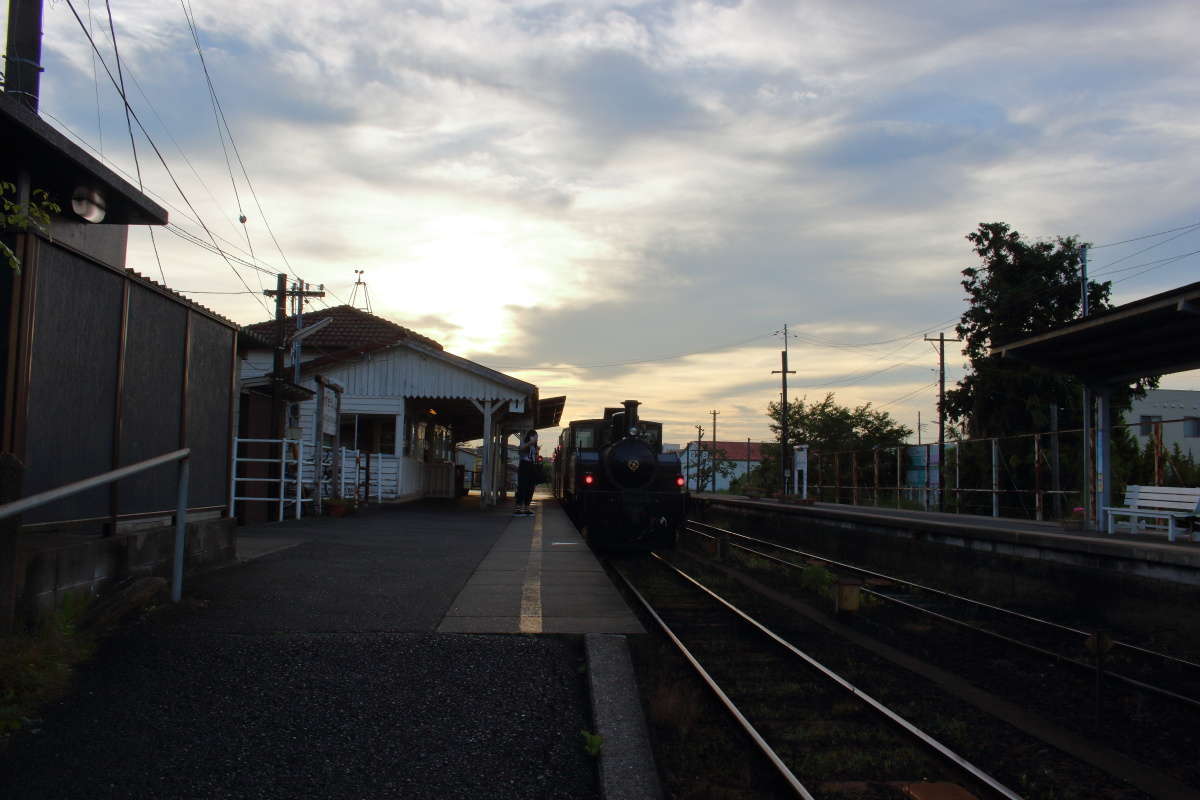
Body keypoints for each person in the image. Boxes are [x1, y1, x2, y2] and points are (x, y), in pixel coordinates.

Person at [514, 429, 538, 516]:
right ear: (531, 437)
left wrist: (537, 452)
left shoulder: (534, 446)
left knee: (530, 487)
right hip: (524, 466)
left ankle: (527, 508)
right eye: (535, 437)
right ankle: (518, 509)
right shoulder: (524, 443)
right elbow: (520, 449)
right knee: (522, 487)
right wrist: (529, 443)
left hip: (531, 466)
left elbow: (534, 457)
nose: (536, 439)